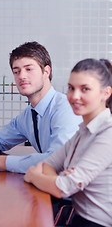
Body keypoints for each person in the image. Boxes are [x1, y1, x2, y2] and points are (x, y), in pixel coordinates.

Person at [0, 41, 81, 173]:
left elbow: (56, 161)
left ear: (46, 71)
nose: (21, 76)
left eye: (29, 69)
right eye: (16, 71)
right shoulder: (29, 115)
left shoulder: (66, 108)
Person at [24, 58, 112, 227]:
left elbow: (62, 187)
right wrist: (58, 182)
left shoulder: (108, 133)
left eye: (85, 89)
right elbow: (47, 165)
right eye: (71, 88)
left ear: (106, 93)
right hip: (78, 218)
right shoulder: (83, 131)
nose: (74, 96)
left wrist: (36, 176)